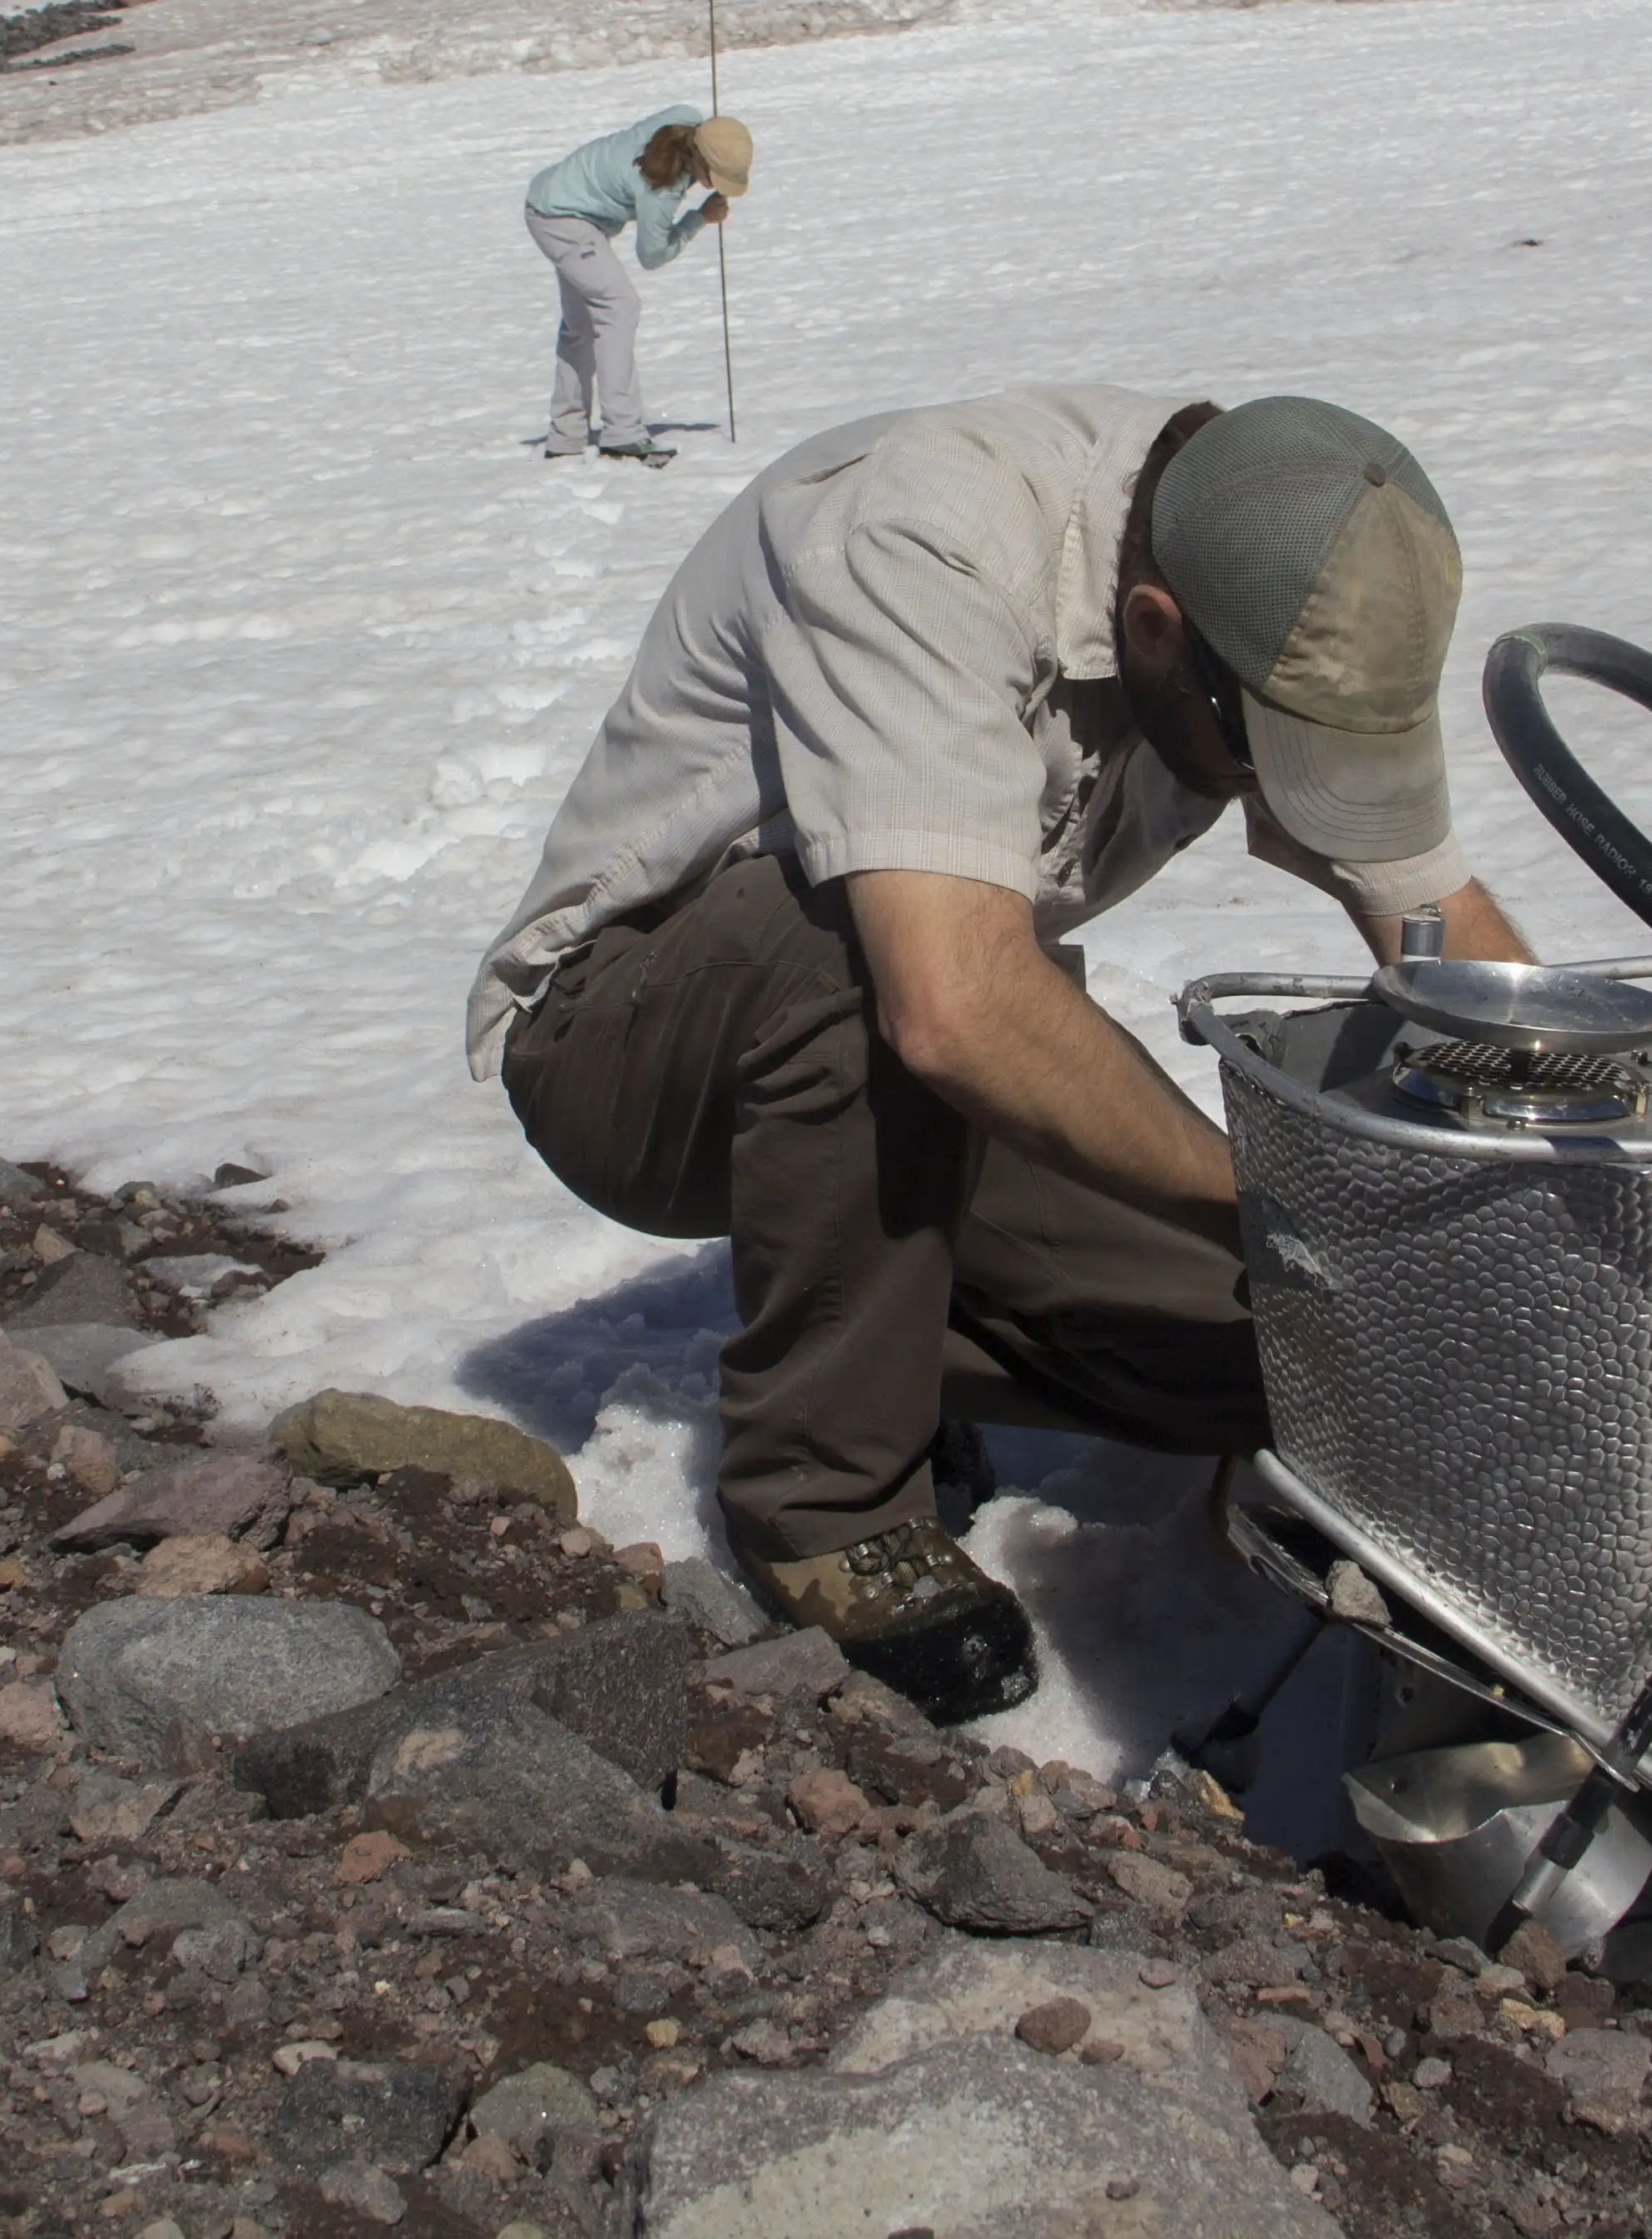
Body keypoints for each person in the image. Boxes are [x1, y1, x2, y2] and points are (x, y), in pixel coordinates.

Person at [467, 387, 1533, 1721]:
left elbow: (1438, 933)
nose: (1275, 794)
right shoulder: (930, 537)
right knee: (867, 946)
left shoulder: (1285, 580)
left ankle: (896, 1318)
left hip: (914, 1054)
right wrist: (1264, 1203)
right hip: (627, 1046)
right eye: (1263, 759)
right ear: (1156, 631)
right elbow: (954, 1008)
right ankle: (821, 1504)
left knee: (1285, 1345)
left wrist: (1563, 1163)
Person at [523, 106, 751, 465]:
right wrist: (699, 219)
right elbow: (652, 255)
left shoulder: (683, 117)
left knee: (582, 324)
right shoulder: (660, 190)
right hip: (562, 219)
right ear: (702, 163)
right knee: (619, 305)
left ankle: (565, 438)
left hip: (551, 202)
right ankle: (622, 434)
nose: (719, 186)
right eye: (719, 177)